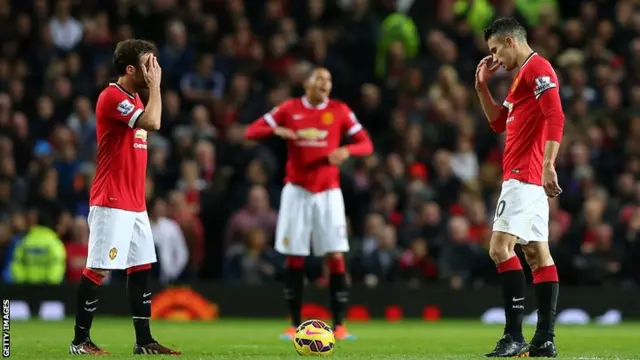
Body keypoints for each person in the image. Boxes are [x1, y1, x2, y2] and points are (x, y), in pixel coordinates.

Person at [69, 39, 180, 355]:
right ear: (131, 69)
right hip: (112, 199)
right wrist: (156, 87)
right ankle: (79, 341)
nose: (154, 70)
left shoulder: (133, 99)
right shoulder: (112, 97)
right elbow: (154, 123)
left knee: (141, 266)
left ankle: (144, 341)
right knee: (98, 268)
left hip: (135, 203)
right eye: (149, 64)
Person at [245, 67, 373, 341]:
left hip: (328, 191)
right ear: (307, 84)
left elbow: (366, 144)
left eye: (329, 80)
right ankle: (293, 324)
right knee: (295, 256)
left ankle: (339, 326)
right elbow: (252, 131)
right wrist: (275, 129)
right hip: (297, 191)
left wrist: (346, 150)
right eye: (320, 79)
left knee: (336, 254)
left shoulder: (339, 110)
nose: (325, 84)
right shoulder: (289, 108)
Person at [475, 18, 564, 358]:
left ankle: (514, 335)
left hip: (524, 174)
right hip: (526, 177)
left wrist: (547, 164)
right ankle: (544, 339)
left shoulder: (537, 68)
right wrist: (482, 87)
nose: (495, 58)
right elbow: (499, 123)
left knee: (500, 248)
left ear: (511, 41)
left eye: (495, 49)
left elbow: (556, 116)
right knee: (538, 255)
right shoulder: (520, 80)